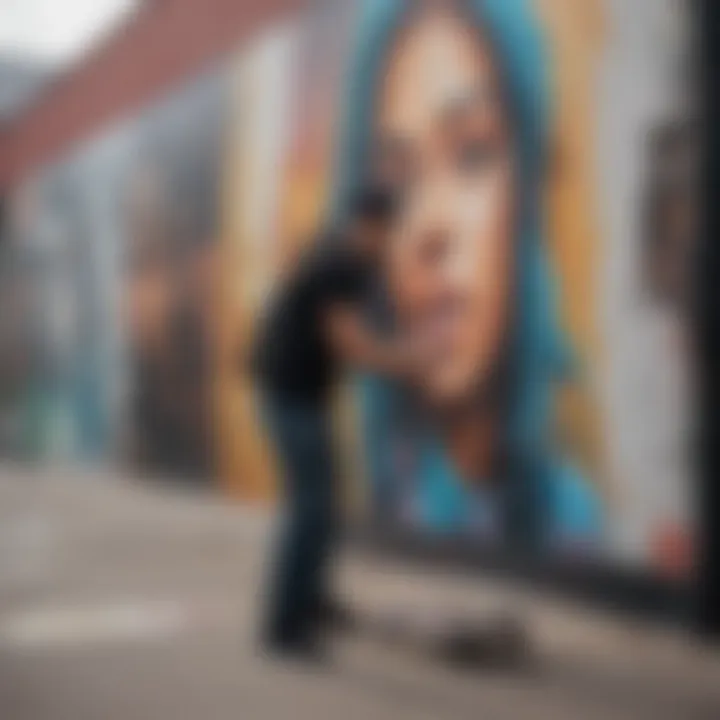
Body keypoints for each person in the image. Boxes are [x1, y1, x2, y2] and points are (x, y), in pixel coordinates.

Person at [253, 185, 413, 659]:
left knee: (322, 507)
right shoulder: (342, 266)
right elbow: (351, 345)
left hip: (295, 392)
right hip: (293, 395)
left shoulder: (337, 251)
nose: (392, 243)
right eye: (391, 233)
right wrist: (415, 362)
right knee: (311, 512)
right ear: (376, 227)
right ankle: (285, 626)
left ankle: (312, 600)